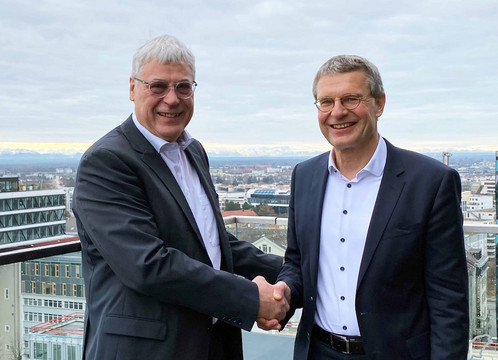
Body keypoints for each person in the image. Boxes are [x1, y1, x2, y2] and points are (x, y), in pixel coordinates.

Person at [72, 34, 289, 360]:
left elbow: (213, 245)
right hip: (145, 350)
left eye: (183, 87)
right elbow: (147, 265)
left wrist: (291, 271)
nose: (171, 99)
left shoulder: (193, 152)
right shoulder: (106, 161)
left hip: (211, 342)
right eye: (157, 86)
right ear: (132, 89)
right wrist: (250, 298)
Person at [264, 55, 469, 359]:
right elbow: (297, 262)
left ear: (379, 104)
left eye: (351, 99)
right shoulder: (304, 176)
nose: (337, 112)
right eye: (326, 102)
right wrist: (283, 294)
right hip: (317, 351)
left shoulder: (430, 182)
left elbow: (448, 298)